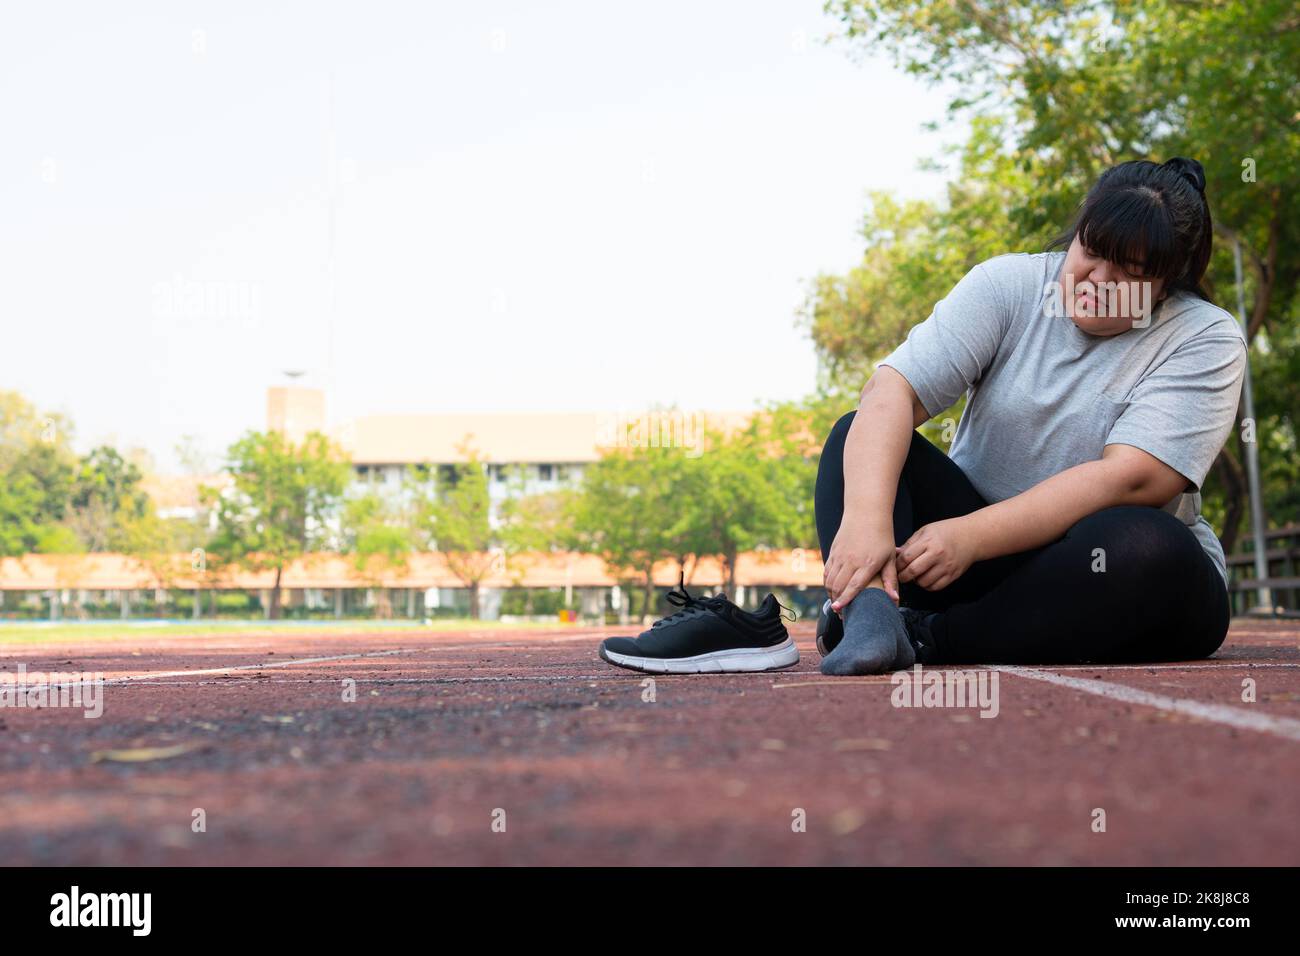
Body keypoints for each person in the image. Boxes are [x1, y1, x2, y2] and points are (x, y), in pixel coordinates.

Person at [816, 156, 1247, 675]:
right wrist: (867, 521)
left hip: (1091, 574)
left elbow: (1132, 480)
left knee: (1148, 545)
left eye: (1130, 274)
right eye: (1090, 253)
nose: (1099, 281)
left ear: (1167, 285)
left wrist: (971, 536)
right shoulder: (1007, 286)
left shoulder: (1205, 337)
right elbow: (893, 392)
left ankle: (926, 636)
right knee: (854, 436)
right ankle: (870, 616)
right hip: (961, 565)